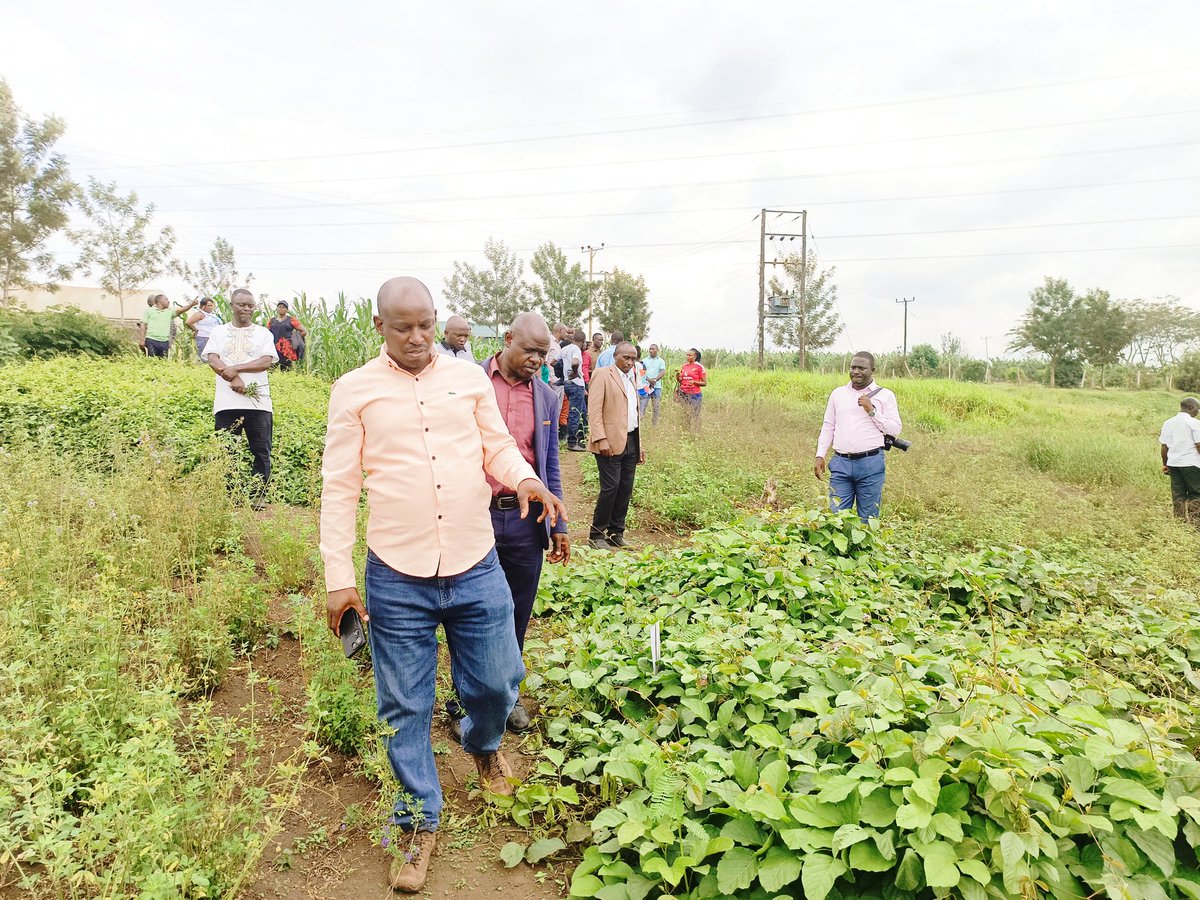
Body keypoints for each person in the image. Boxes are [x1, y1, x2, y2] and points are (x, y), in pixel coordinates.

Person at [319, 277, 566, 894]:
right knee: (403, 704)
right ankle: (416, 820)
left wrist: (524, 480)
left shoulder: (468, 378)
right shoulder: (354, 390)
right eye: (402, 326)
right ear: (379, 326)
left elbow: (498, 448)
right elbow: (339, 488)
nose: (417, 337)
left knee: (498, 679)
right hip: (396, 572)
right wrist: (338, 578)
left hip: (474, 560)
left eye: (425, 324)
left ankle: (482, 744)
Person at [446, 312, 571, 740]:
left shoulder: (548, 398)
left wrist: (559, 523)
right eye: (530, 350)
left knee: (516, 609)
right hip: (472, 514)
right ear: (507, 339)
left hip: (523, 520)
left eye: (543, 353)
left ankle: (507, 696)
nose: (537, 359)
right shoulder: (467, 380)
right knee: (467, 609)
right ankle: (464, 696)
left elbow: (548, 462)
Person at [203, 289, 278, 505]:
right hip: (226, 404)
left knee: (261, 451)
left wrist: (234, 369)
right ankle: (231, 496)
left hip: (259, 404)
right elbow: (213, 359)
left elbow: (266, 361)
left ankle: (258, 496)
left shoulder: (264, 333)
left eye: (250, 306)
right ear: (231, 306)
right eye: (241, 305)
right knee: (227, 450)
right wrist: (233, 379)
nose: (246, 309)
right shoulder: (218, 331)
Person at [813, 351, 903, 523]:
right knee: (837, 518)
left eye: (862, 368)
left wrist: (872, 410)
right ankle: (840, 551)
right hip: (841, 463)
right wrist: (820, 455)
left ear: (872, 370)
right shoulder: (838, 394)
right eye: (853, 367)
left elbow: (895, 430)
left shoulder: (885, 396)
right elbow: (828, 425)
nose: (856, 371)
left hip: (870, 464)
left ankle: (864, 550)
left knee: (868, 519)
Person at [588, 342, 645, 550]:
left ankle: (616, 533)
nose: (630, 362)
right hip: (609, 442)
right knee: (610, 488)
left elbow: (633, 413)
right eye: (626, 358)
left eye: (633, 358)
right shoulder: (603, 374)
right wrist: (600, 438)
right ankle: (596, 535)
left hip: (630, 440)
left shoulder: (632, 377)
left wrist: (640, 445)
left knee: (625, 489)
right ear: (615, 356)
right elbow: (594, 410)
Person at [1161, 397, 1200, 525]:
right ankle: (1195, 525)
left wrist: (1165, 464)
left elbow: (1164, 447)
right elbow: (1199, 445)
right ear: (1191, 407)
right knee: (1196, 493)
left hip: (1174, 464)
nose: (1198, 412)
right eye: (1197, 409)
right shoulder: (1194, 423)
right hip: (1191, 464)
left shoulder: (1168, 423)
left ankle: (1180, 523)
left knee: (1178, 494)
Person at [139, 294, 197, 358]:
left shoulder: (170, 312)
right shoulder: (149, 311)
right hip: (151, 340)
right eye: (166, 299)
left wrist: (191, 305)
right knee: (151, 362)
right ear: (159, 301)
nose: (168, 301)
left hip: (164, 342)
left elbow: (181, 310)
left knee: (163, 363)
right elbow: (143, 325)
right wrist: (142, 340)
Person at [560, 329, 587, 451]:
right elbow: (575, 362)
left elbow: (554, 362)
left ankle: (580, 438)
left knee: (579, 411)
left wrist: (564, 375)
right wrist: (575, 372)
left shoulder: (565, 349)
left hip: (567, 384)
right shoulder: (576, 349)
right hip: (576, 384)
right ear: (583, 341)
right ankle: (572, 442)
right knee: (575, 412)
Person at [269, 300, 308, 370]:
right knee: (272, 369)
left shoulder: (291, 320)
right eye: (279, 307)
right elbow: (267, 334)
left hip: (286, 350)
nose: (281, 308)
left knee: (286, 369)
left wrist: (293, 340)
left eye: (283, 307)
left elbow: (304, 331)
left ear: (287, 310)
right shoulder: (272, 321)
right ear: (277, 309)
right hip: (273, 348)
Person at [677, 348, 707, 430]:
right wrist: (678, 377)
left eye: (690, 355)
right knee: (686, 414)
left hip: (695, 395)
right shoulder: (684, 366)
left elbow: (704, 383)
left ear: (695, 356)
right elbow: (681, 380)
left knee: (695, 414)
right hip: (684, 393)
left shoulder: (699, 367)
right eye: (687, 355)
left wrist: (694, 382)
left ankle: (697, 431)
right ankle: (686, 431)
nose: (688, 356)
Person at [640, 343, 667, 425]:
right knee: (643, 405)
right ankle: (640, 423)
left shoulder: (661, 361)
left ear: (657, 350)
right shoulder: (644, 361)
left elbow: (662, 372)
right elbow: (642, 372)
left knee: (656, 407)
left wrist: (655, 380)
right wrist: (649, 380)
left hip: (657, 387)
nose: (651, 350)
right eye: (650, 349)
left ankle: (654, 424)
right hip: (646, 386)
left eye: (653, 349)